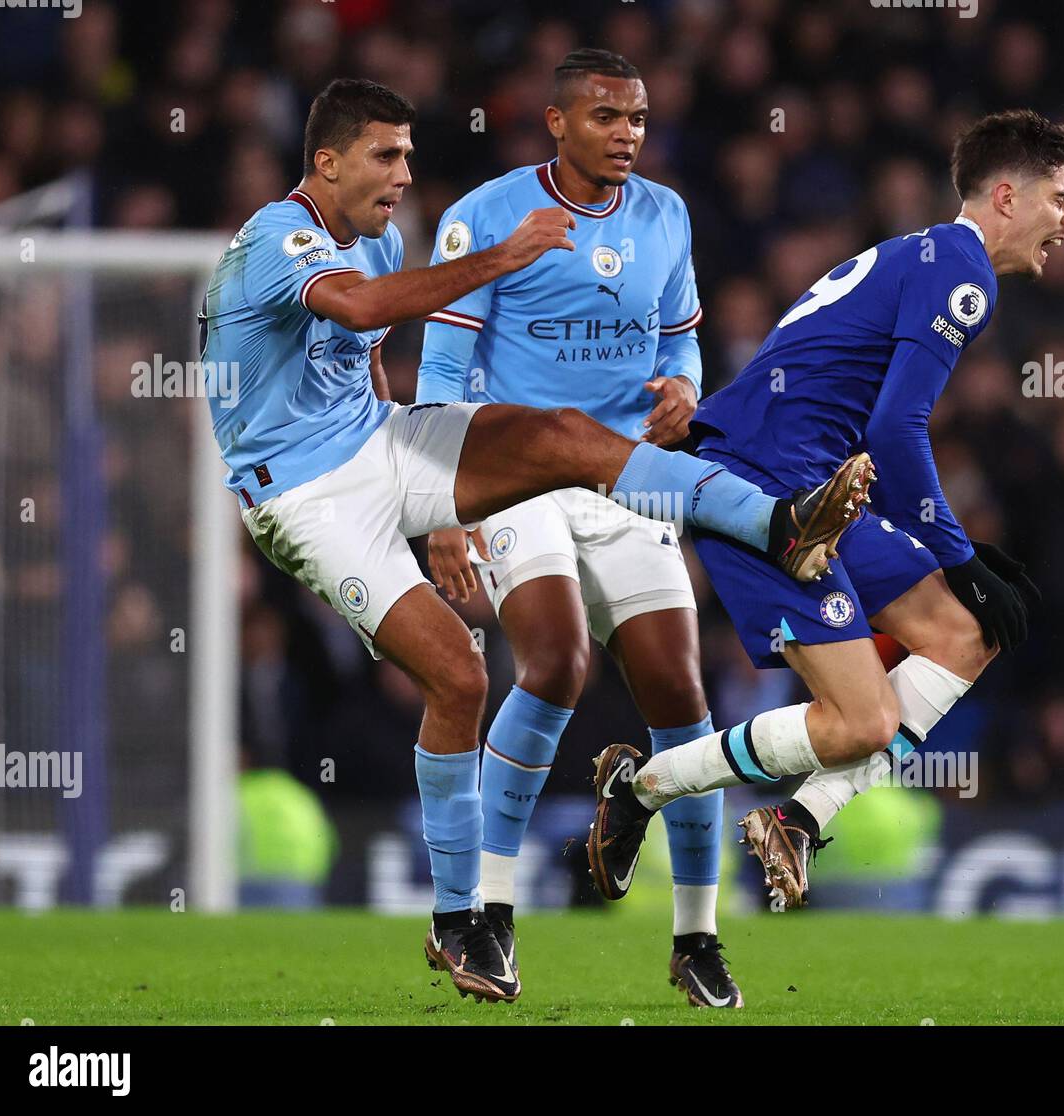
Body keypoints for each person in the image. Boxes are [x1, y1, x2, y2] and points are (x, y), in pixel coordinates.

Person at [199, 77, 871, 1003]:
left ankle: (777, 523)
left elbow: (365, 365)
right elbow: (359, 312)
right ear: (327, 162)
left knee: (563, 437)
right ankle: (459, 923)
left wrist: (436, 495)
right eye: (384, 156)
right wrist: (502, 258)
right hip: (304, 495)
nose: (403, 173)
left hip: (377, 444)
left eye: (408, 154)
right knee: (462, 675)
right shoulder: (280, 237)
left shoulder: (386, 237)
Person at [588, 109, 1064, 915]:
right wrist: (958, 555)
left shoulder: (922, 254)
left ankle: (799, 821)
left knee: (966, 634)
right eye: (1058, 197)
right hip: (764, 486)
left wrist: (960, 562)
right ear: (1004, 197)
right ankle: (640, 788)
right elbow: (896, 426)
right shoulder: (963, 274)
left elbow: (866, 428)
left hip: (815, 481)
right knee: (862, 722)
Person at [416, 49, 742, 1008]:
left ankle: (697, 937)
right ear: (554, 122)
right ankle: (493, 917)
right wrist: (443, 508)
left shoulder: (667, 215)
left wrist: (687, 387)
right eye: (606, 116)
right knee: (554, 665)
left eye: (637, 117)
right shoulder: (485, 214)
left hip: (624, 479)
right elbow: (441, 373)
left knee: (682, 696)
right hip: (517, 476)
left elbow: (681, 336)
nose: (627, 133)